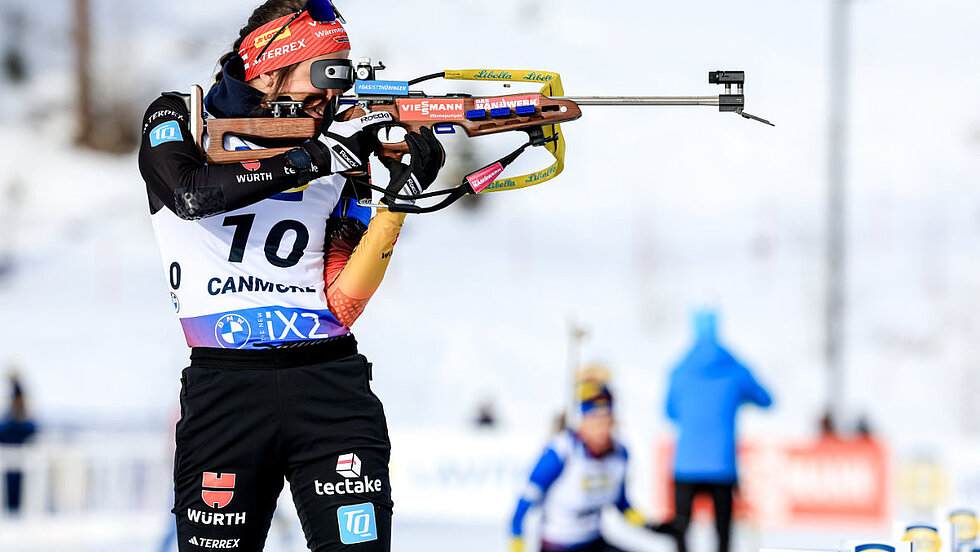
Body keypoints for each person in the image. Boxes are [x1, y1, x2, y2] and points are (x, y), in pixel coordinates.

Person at [137, 1, 444, 550]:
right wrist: (312, 159)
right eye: (323, 76)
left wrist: (396, 206)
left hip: (328, 383)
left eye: (341, 81)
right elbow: (189, 194)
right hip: (225, 390)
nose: (330, 98)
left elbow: (341, 303)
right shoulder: (180, 115)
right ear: (269, 63)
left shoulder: (340, 143)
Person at [510, 381, 671, 552]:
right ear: (582, 423)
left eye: (606, 421)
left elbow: (621, 503)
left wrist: (651, 525)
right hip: (558, 545)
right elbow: (521, 509)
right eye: (594, 422)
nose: (601, 429)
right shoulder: (561, 452)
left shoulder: (619, 453)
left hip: (594, 542)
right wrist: (517, 545)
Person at [662, 308, 772, 552]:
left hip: (686, 463)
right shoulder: (735, 368)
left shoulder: (679, 370)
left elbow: (669, 412)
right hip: (722, 463)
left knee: (681, 528)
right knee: (723, 533)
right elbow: (766, 399)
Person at [0, 371, 37, 514]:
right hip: (10, 467)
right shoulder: (15, 424)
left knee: (17, 498)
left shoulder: (20, 425)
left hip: (19, 467)